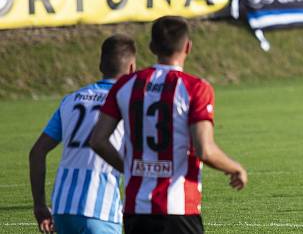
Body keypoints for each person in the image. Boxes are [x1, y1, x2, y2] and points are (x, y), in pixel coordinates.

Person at [90, 16, 247, 234]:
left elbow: (97, 140)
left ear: (152, 47)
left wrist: (130, 169)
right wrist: (235, 168)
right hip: (178, 209)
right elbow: (205, 150)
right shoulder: (195, 88)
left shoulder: (127, 85)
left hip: (136, 211)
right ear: (188, 47)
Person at [29, 34, 137, 234]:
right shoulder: (127, 102)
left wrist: (39, 205)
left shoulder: (71, 100)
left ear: (100, 65)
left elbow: (37, 152)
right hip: (100, 210)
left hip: (62, 208)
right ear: (131, 68)